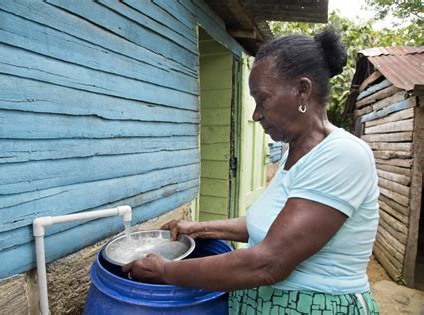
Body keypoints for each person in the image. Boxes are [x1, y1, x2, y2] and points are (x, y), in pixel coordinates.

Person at [123, 27, 380, 314]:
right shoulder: (292, 153)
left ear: (302, 90)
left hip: (314, 305)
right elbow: (267, 225)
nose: (256, 114)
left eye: (262, 99)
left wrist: (166, 272)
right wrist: (199, 229)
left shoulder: (343, 155)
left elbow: (270, 262)